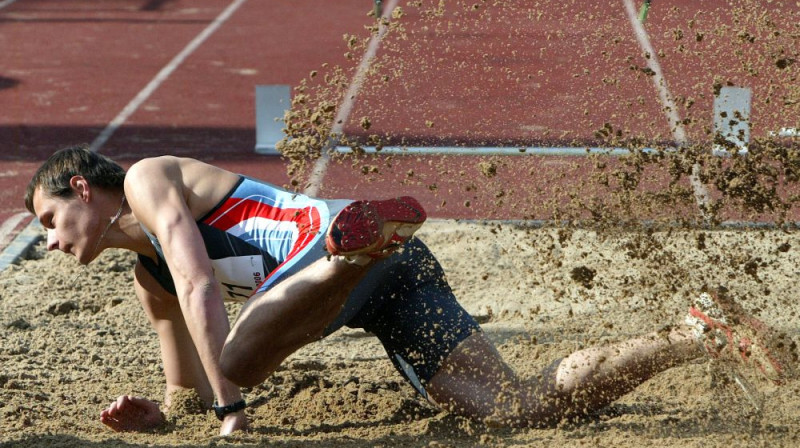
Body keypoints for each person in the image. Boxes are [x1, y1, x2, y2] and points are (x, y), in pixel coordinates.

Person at [24, 145, 785, 436]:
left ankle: (345, 250)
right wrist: (162, 417)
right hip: (388, 277)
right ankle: (697, 331)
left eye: (50, 220)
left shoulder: (152, 180)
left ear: (82, 189)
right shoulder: (143, 277)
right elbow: (186, 383)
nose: (51, 241)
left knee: (241, 363)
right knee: (514, 408)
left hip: (332, 264)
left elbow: (199, 281)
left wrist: (230, 413)